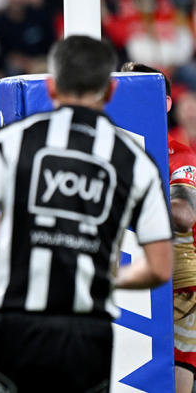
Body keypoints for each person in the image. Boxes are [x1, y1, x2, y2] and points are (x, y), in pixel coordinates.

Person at [0, 36, 174, 392]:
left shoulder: (11, 140)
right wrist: (102, 275)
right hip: (88, 335)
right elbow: (161, 267)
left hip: (15, 327)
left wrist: (1, 246)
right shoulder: (137, 162)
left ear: (52, 85)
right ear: (110, 91)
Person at [121, 62, 196, 393]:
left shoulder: (178, 155)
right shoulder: (110, 149)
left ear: (165, 103)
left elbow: (183, 215)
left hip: (179, 289)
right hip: (128, 284)